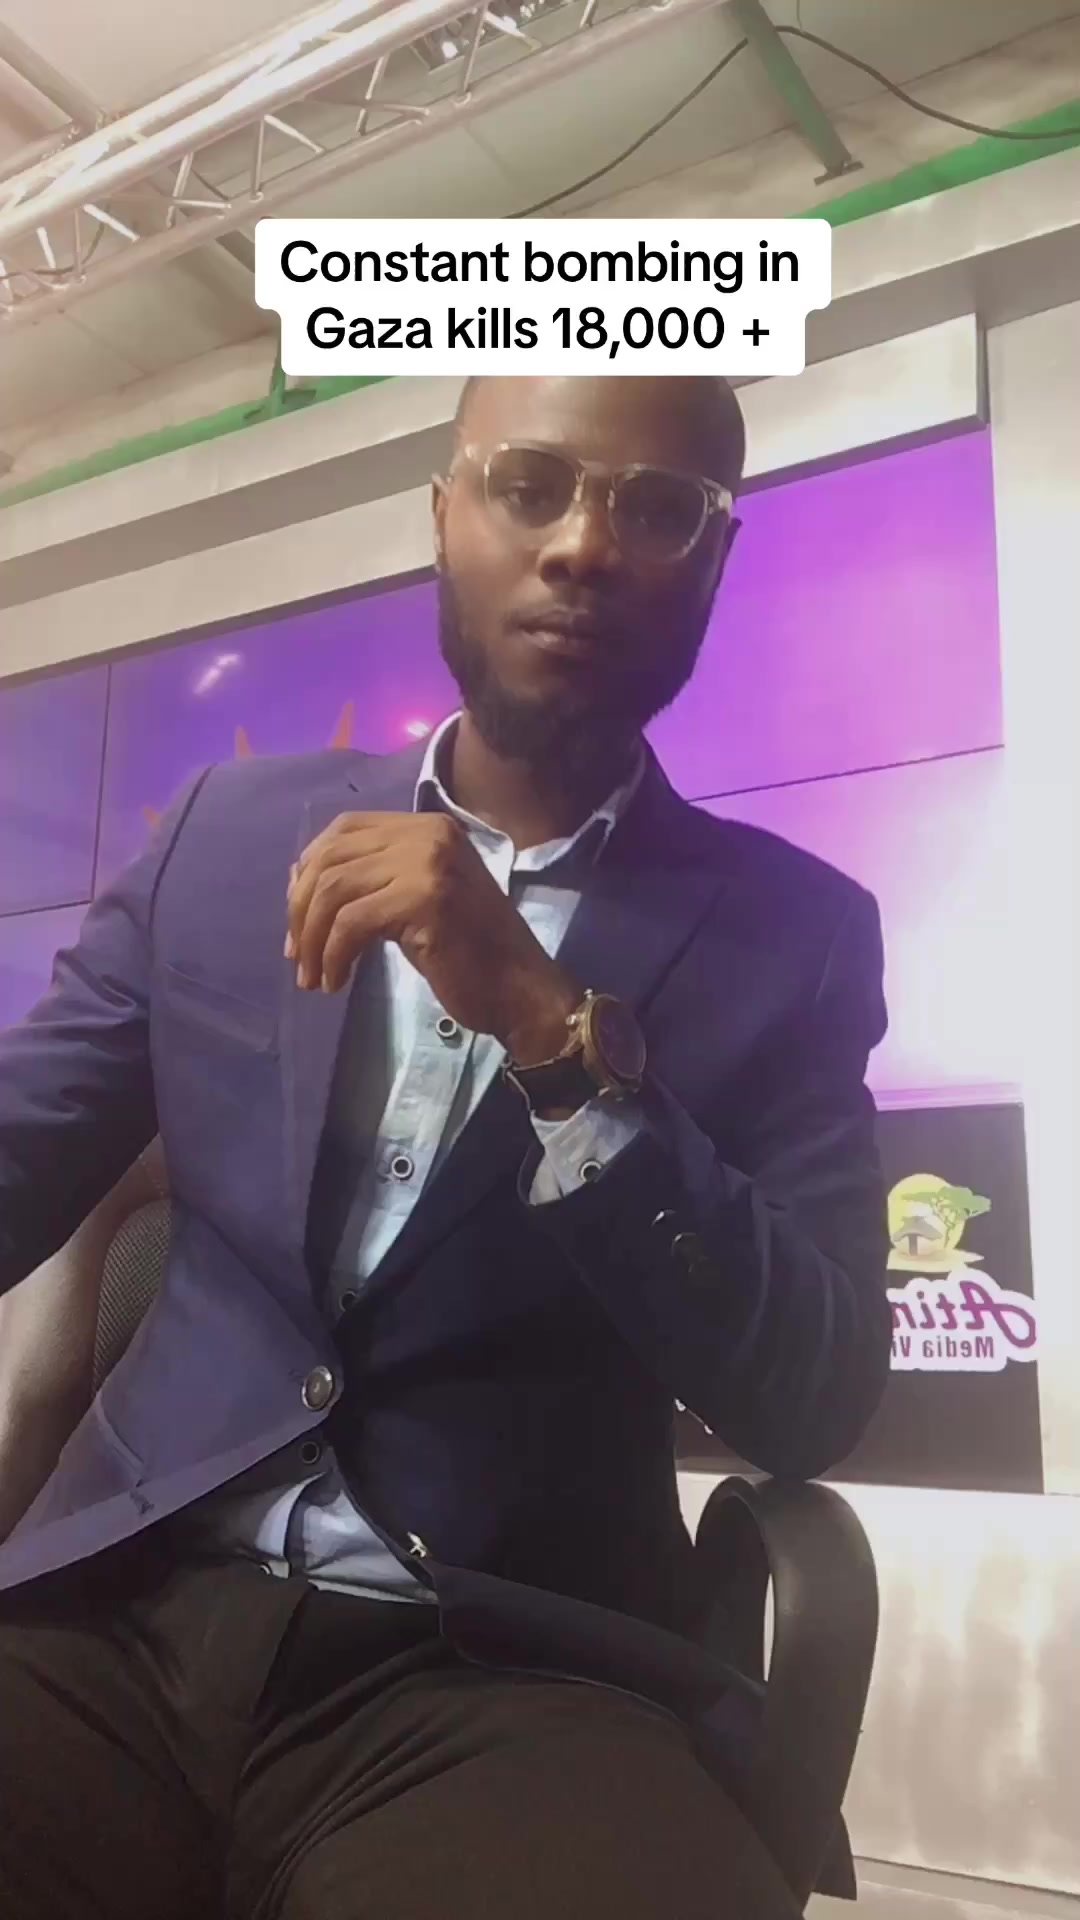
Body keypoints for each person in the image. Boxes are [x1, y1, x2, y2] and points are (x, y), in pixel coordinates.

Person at [0, 374, 889, 1920]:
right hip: (122, 1619)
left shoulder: (792, 939)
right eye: (530, 485)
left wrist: (553, 1037)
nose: (584, 546)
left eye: (658, 508)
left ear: (717, 562)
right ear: (442, 515)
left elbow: (812, 1396)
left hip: (514, 1676)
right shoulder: (221, 838)